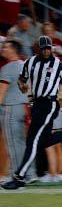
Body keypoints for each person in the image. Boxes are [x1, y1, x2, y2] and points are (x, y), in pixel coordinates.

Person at [1, 36, 62, 191]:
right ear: (38, 49)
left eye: (48, 48)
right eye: (43, 48)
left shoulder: (59, 64)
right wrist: (23, 88)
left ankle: (19, 177)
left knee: (32, 141)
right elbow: (22, 80)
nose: (46, 51)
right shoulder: (30, 62)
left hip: (49, 103)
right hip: (36, 104)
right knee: (43, 141)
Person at [0, 40, 32, 181]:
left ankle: (15, 176)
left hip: (10, 108)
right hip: (24, 108)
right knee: (20, 143)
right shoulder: (25, 66)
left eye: (5, 47)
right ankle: (28, 174)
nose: (3, 49)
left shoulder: (6, 68)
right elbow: (29, 90)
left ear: (13, 50)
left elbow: (1, 93)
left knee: (11, 143)